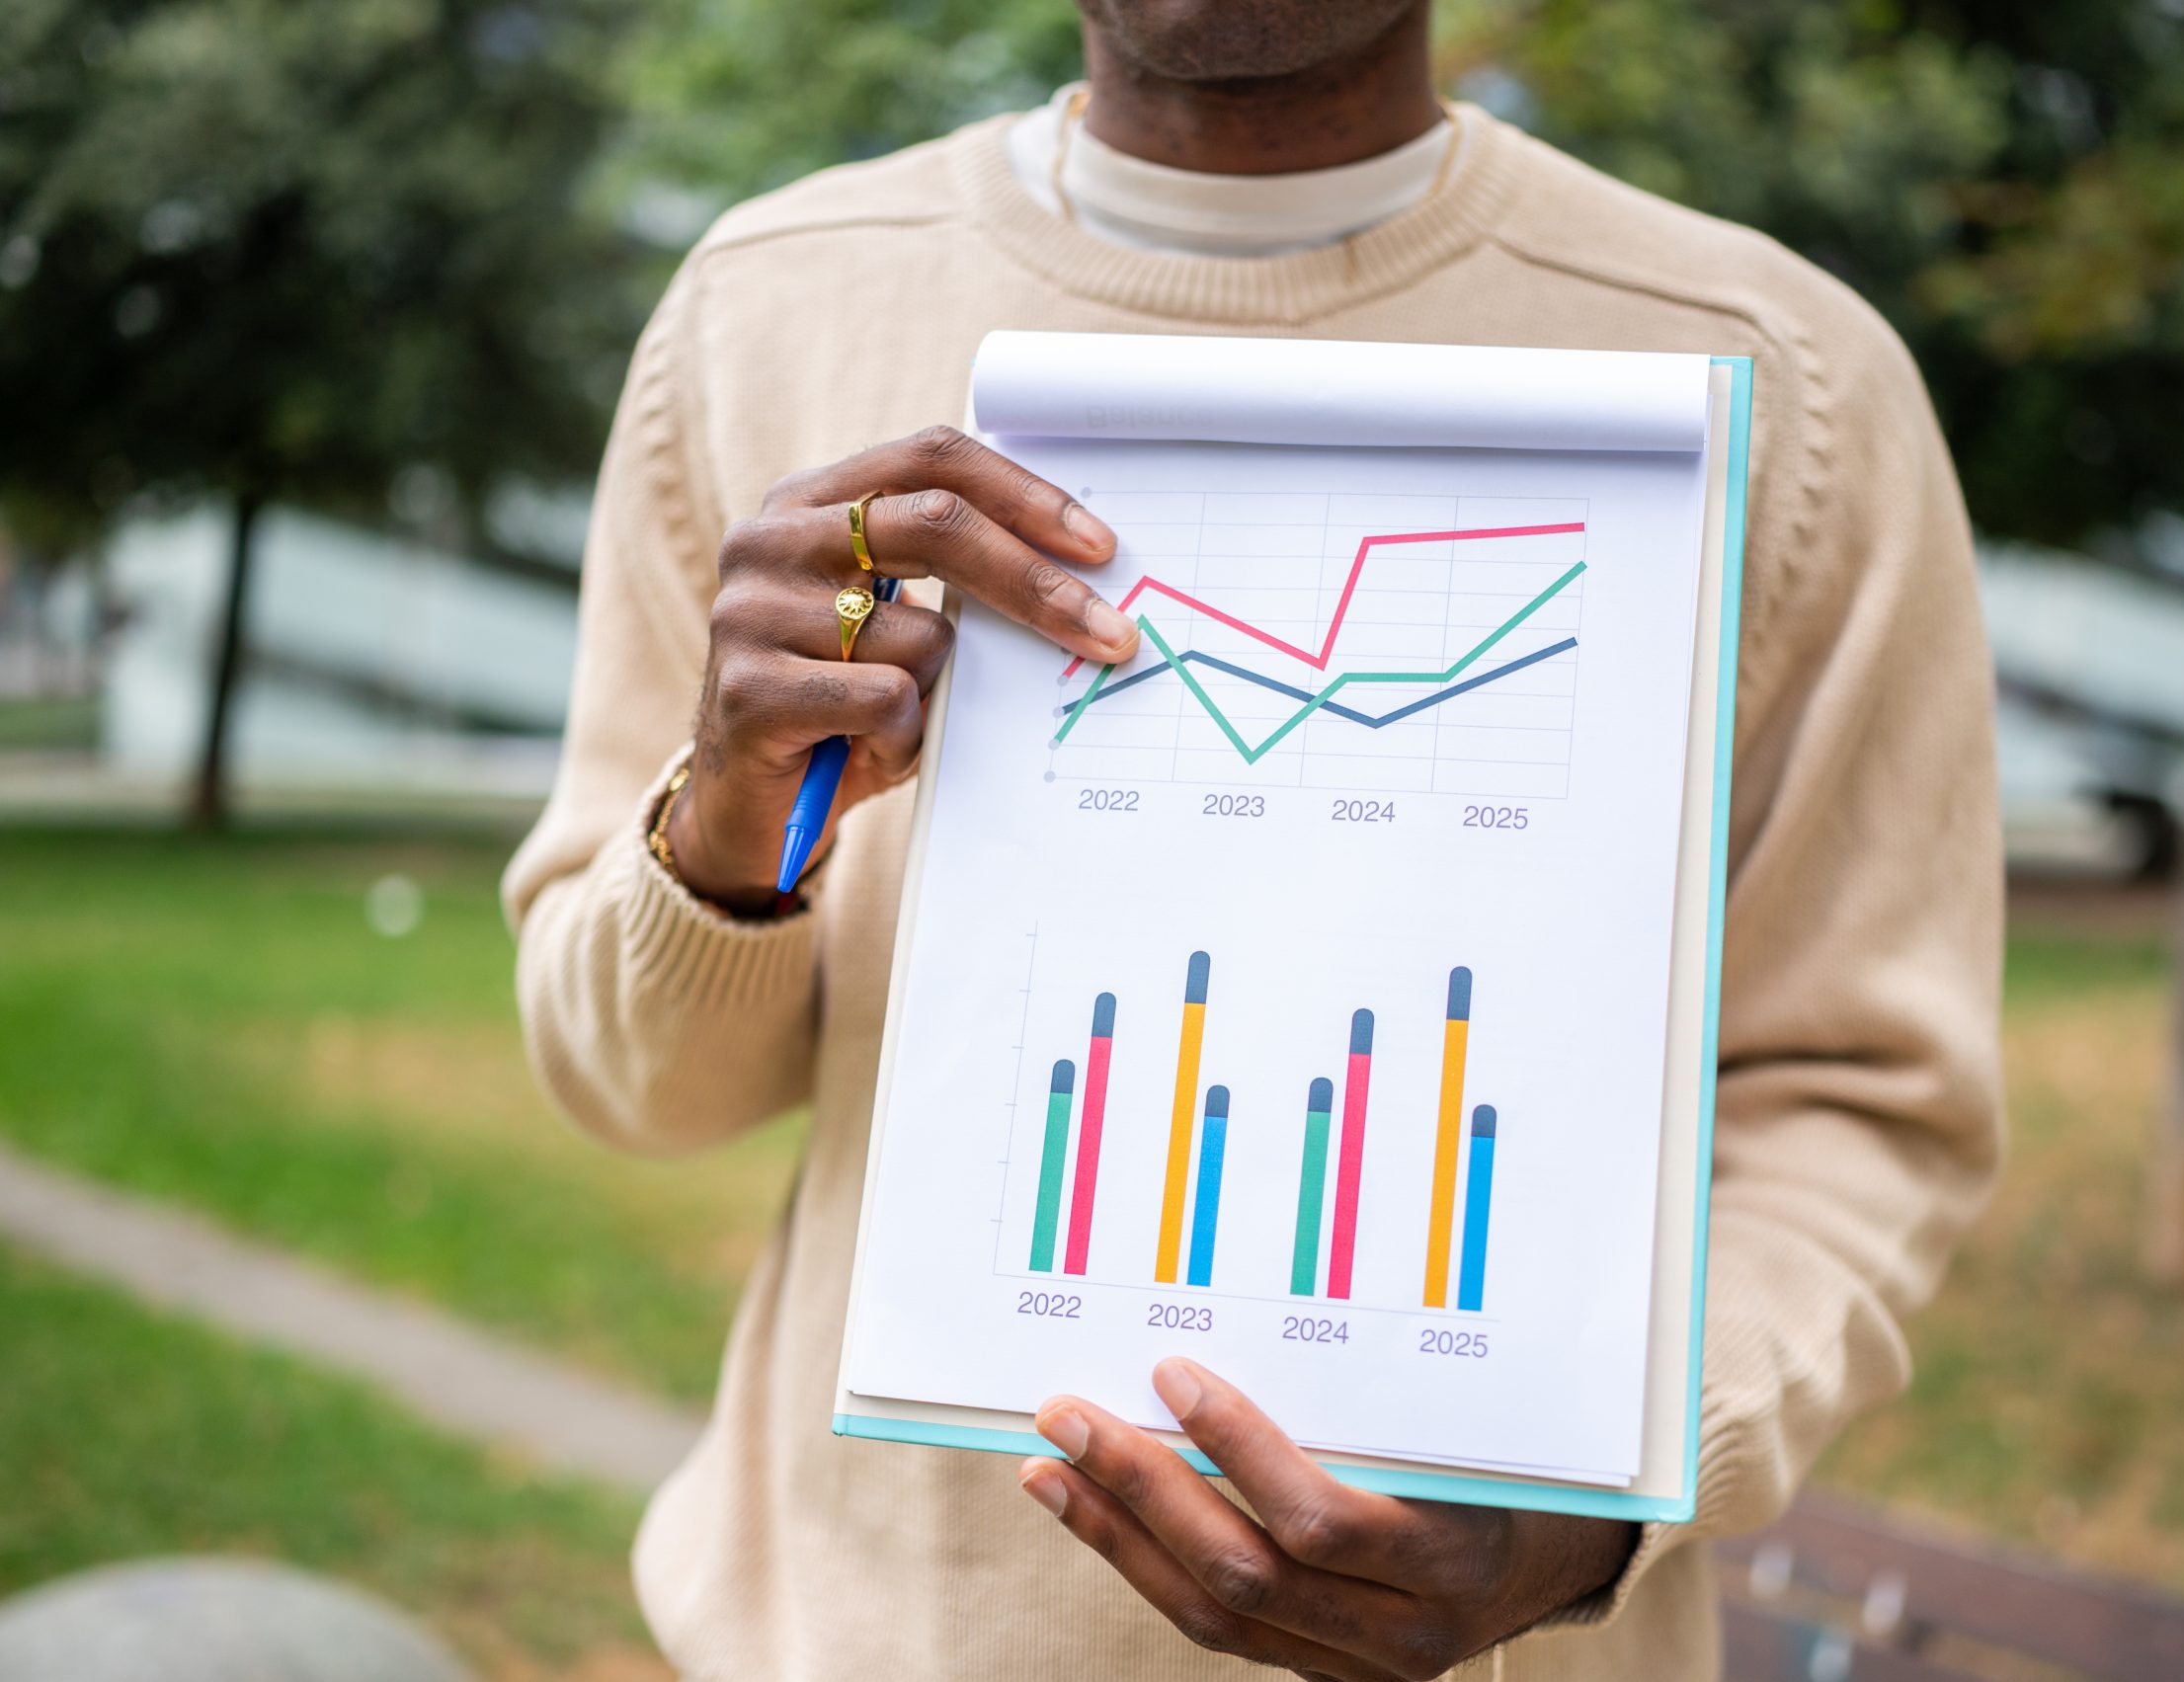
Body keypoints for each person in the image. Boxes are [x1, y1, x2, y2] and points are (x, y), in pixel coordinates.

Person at [502, 2, 2004, 1676]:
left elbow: (1860, 1108)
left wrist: (1597, 1496)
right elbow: (639, 1092)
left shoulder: (1784, 376)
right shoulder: (768, 305)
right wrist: (730, 809)